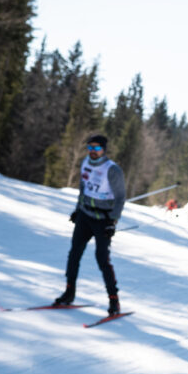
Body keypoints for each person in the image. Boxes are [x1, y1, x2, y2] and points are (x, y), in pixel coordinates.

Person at [54, 135, 126, 316]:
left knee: (102, 259)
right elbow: (83, 188)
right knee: (74, 254)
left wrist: (113, 221)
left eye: (96, 148)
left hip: (103, 220)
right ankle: (69, 292)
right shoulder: (85, 163)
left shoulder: (112, 169)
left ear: (104, 149)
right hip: (85, 216)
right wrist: (78, 209)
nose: (92, 152)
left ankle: (114, 301)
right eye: (90, 148)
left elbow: (120, 198)